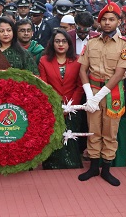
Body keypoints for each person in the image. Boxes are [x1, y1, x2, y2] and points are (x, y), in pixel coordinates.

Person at [77, 2, 126, 186]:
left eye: (112, 19)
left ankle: (106, 169)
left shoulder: (125, 45)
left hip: (112, 93)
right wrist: (89, 93)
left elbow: (119, 74)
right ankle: (93, 167)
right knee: (93, 130)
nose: (107, 23)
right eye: (104, 20)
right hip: (92, 90)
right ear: (98, 22)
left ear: (119, 21)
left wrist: (99, 95)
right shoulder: (91, 42)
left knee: (110, 132)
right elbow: (82, 69)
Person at [39, 29, 83, 169]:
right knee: (54, 137)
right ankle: (52, 165)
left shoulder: (77, 60)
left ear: (69, 44)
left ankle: (73, 166)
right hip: (52, 107)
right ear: (52, 43)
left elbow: (80, 86)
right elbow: (44, 86)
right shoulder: (44, 60)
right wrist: (56, 106)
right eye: (57, 41)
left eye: (64, 41)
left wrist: (70, 106)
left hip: (73, 107)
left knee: (71, 139)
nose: (61, 44)